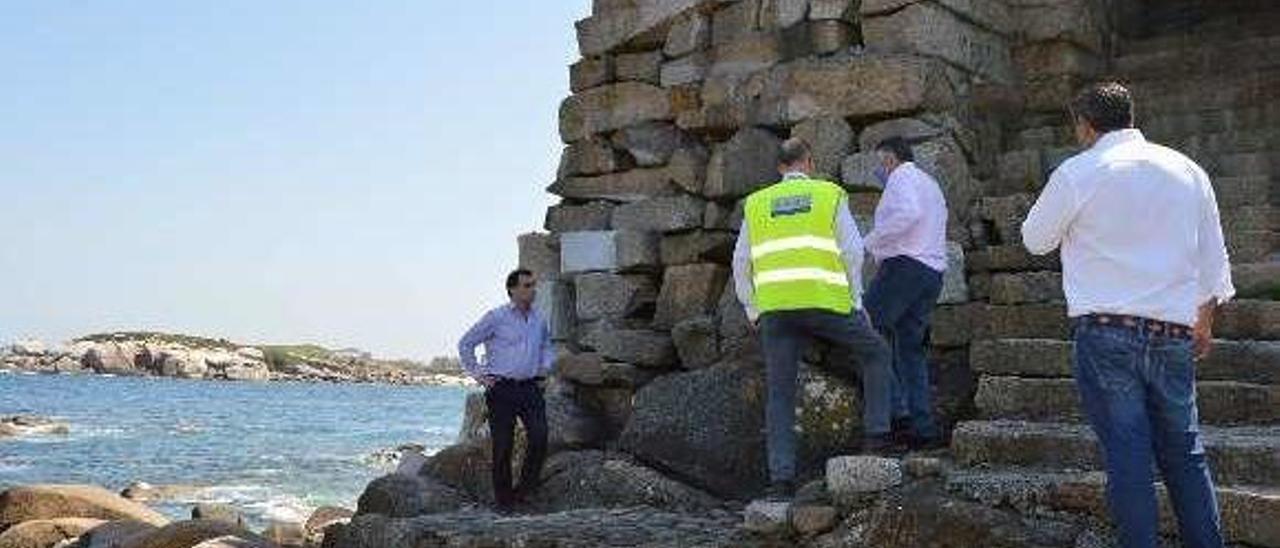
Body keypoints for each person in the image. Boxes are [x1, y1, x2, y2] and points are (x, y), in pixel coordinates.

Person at [1022, 82, 1233, 548]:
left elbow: (1035, 239)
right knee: (1186, 454)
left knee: (1128, 458)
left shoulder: (1078, 172)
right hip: (1174, 330)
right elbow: (1214, 260)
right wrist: (1205, 320)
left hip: (1106, 334)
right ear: (1130, 116)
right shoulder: (1188, 170)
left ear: (1085, 124)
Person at [732, 137, 894, 499]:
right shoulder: (829, 195)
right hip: (825, 304)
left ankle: (781, 480)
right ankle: (877, 440)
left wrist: (752, 308)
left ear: (780, 168)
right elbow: (852, 251)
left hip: (776, 311)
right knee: (877, 353)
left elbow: (741, 262)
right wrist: (855, 302)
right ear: (809, 162)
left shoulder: (756, 204)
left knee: (780, 392)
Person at [863, 136, 949, 450]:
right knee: (910, 350)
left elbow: (907, 214)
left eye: (880, 162)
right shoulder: (931, 183)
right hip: (932, 271)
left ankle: (897, 415)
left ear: (889, 158)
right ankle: (922, 427)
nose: (879, 170)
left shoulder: (900, 177)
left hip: (905, 266)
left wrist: (870, 241)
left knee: (865, 330)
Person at [458, 268, 555, 512]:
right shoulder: (496, 317)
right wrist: (479, 375)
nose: (532, 290)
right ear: (512, 289)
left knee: (540, 437)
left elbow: (547, 345)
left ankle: (524, 492)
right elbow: (466, 343)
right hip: (501, 389)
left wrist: (545, 367)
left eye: (533, 285)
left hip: (531, 389)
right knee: (502, 446)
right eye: (527, 285)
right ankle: (504, 501)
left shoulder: (539, 319)